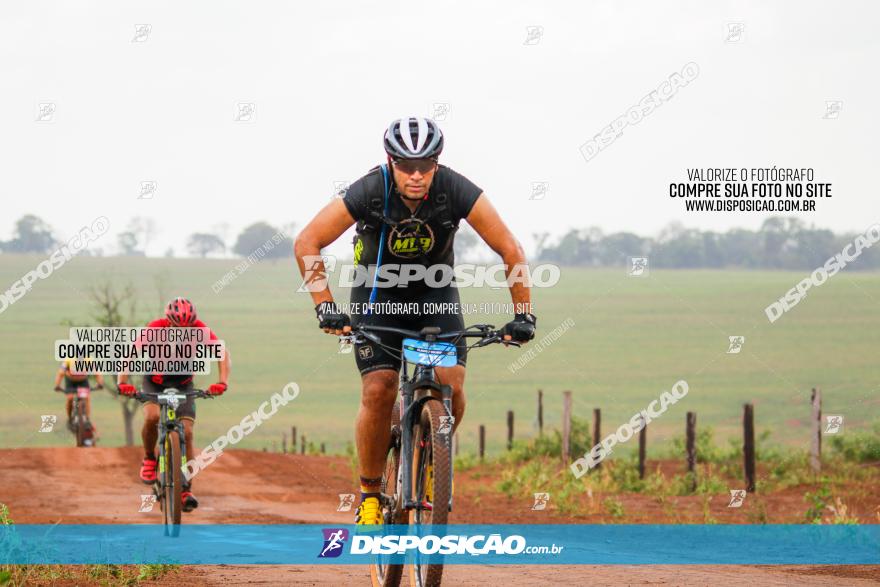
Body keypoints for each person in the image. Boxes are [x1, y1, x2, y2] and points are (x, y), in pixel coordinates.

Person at [294, 117, 536, 526]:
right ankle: (370, 495)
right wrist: (324, 305)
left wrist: (523, 314)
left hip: (433, 295)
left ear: (438, 163)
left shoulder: (456, 189)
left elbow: (510, 248)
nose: (417, 175)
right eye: (407, 166)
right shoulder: (369, 190)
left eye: (426, 164)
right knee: (379, 387)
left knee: (452, 384)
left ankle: (429, 456)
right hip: (378, 296)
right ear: (390, 162)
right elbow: (307, 241)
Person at [117, 297, 230, 512]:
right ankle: (150, 458)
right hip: (155, 382)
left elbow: (222, 353)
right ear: (168, 322)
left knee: (186, 432)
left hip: (183, 384)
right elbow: (131, 352)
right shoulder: (155, 328)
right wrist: (122, 381)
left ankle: (185, 488)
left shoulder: (199, 329)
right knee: (151, 417)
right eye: (179, 328)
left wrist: (222, 381)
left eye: (188, 329)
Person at [53, 357, 105, 440]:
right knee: (70, 398)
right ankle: (70, 418)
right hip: (70, 381)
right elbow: (61, 373)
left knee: (87, 397)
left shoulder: (88, 360)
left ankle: (87, 419)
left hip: (83, 381)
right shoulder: (68, 361)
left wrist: (100, 383)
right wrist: (57, 385)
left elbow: (97, 373)